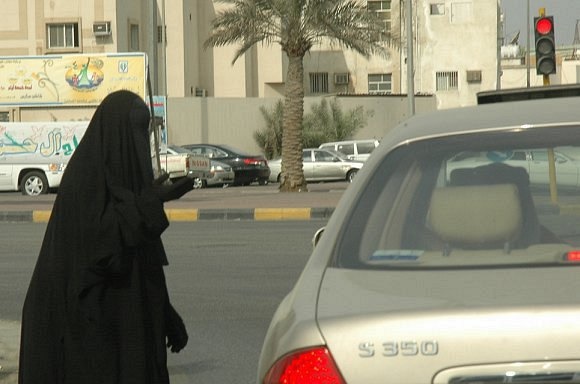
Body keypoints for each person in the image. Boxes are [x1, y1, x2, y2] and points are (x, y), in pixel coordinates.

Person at [18, 90, 193, 384]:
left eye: (143, 130)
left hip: (124, 328)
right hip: (85, 333)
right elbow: (101, 249)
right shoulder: (84, 181)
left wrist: (166, 315)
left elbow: (141, 261)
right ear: (116, 132)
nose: (138, 139)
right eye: (134, 130)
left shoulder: (129, 185)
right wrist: (150, 203)